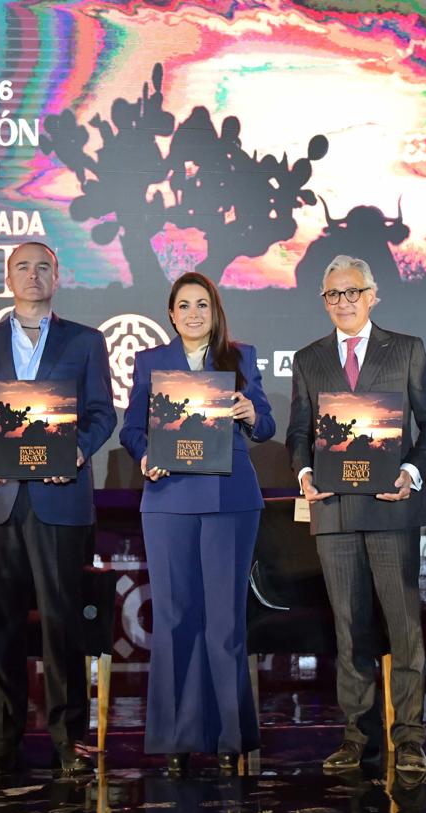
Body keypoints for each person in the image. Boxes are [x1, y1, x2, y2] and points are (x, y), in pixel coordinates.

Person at [0, 241, 115, 775]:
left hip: (59, 497)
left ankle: (68, 739)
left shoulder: (86, 342)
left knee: (62, 622)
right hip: (0, 501)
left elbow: (100, 414)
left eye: (43, 266)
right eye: (23, 266)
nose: (33, 274)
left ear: (57, 276)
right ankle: (5, 737)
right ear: (8, 277)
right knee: (2, 625)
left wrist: (77, 449)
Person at [285, 254, 426, 774]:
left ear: (373, 295)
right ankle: (358, 736)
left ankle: (412, 737)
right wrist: (304, 473)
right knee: (349, 629)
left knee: (404, 628)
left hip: (391, 507)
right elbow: (299, 433)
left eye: (352, 292)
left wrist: (412, 473)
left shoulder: (407, 350)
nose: (343, 302)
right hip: (331, 510)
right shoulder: (308, 358)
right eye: (333, 295)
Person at [119, 271, 274, 774]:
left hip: (231, 499)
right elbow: (131, 430)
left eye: (201, 305)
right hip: (168, 498)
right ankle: (177, 739)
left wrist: (251, 412)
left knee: (226, 622)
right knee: (174, 617)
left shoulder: (241, 357)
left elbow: (268, 424)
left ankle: (230, 736)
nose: (192, 313)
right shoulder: (150, 362)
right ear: (170, 313)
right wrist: (145, 457)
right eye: (183, 305)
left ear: (215, 311)